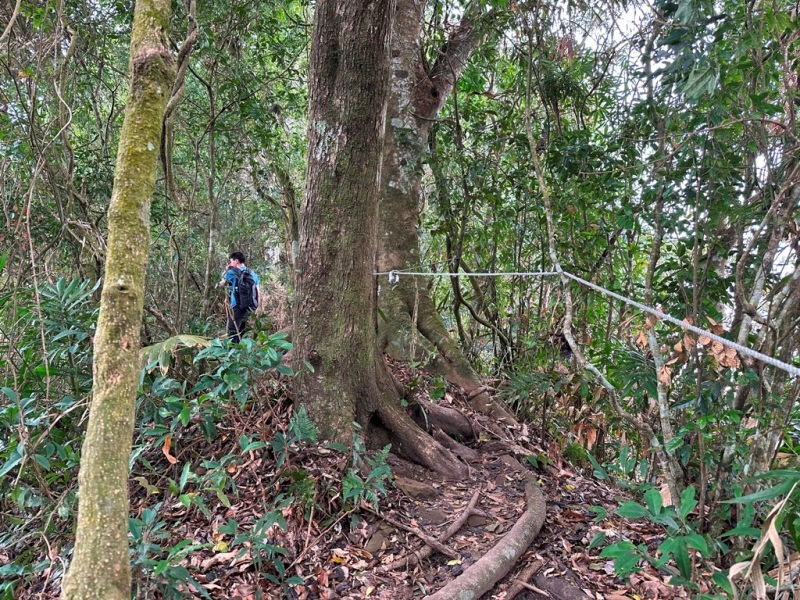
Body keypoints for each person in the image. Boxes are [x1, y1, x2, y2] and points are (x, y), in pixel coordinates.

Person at [218, 252, 259, 343]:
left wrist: (226, 270)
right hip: (249, 307)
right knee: (243, 333)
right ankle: (241, 353)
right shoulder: (252, 273)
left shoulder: (232, 272)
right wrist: (256, 308)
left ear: (236, 261)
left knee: (232, 332)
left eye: (231, 261)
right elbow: (257, 291)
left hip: (237, 305)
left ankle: (232, 354)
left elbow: (222, 283)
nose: (230, 263)